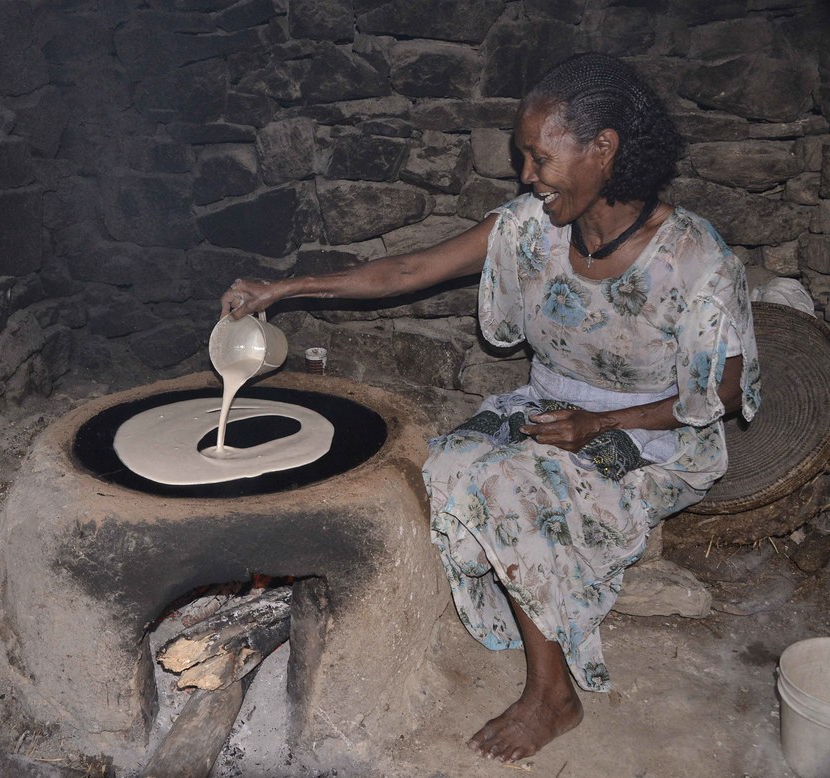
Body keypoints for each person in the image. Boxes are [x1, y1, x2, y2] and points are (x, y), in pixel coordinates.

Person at [219, 52, 761, 764]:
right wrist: (283, 290)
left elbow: (720, 393)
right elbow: (410, 269)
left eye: (539, 157)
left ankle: (553, 695)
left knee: (507, 487)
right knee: (439, 466)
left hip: (656, 433)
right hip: (551, 408)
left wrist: (600, 425)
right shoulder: (528, 227)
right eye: (522, 158)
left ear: (605, 150)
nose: (526, 176)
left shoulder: (693, 258)